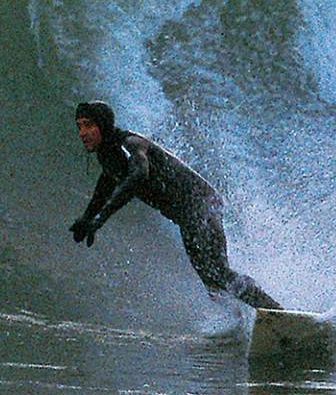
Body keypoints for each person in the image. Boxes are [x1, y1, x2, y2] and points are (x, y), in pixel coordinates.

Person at [68, 100, 282, 310]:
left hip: (202, 204)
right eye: (79, 126)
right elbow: (106, 183)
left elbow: (139, 174)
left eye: (88, 125)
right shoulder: (108, 155)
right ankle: (242, 324)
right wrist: (88, 217)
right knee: (210, 280)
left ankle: (276, 312)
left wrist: (100, 218)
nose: (82, 132)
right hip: (187, 218)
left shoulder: (130, 144)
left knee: (219, 272)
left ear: (103, 125)